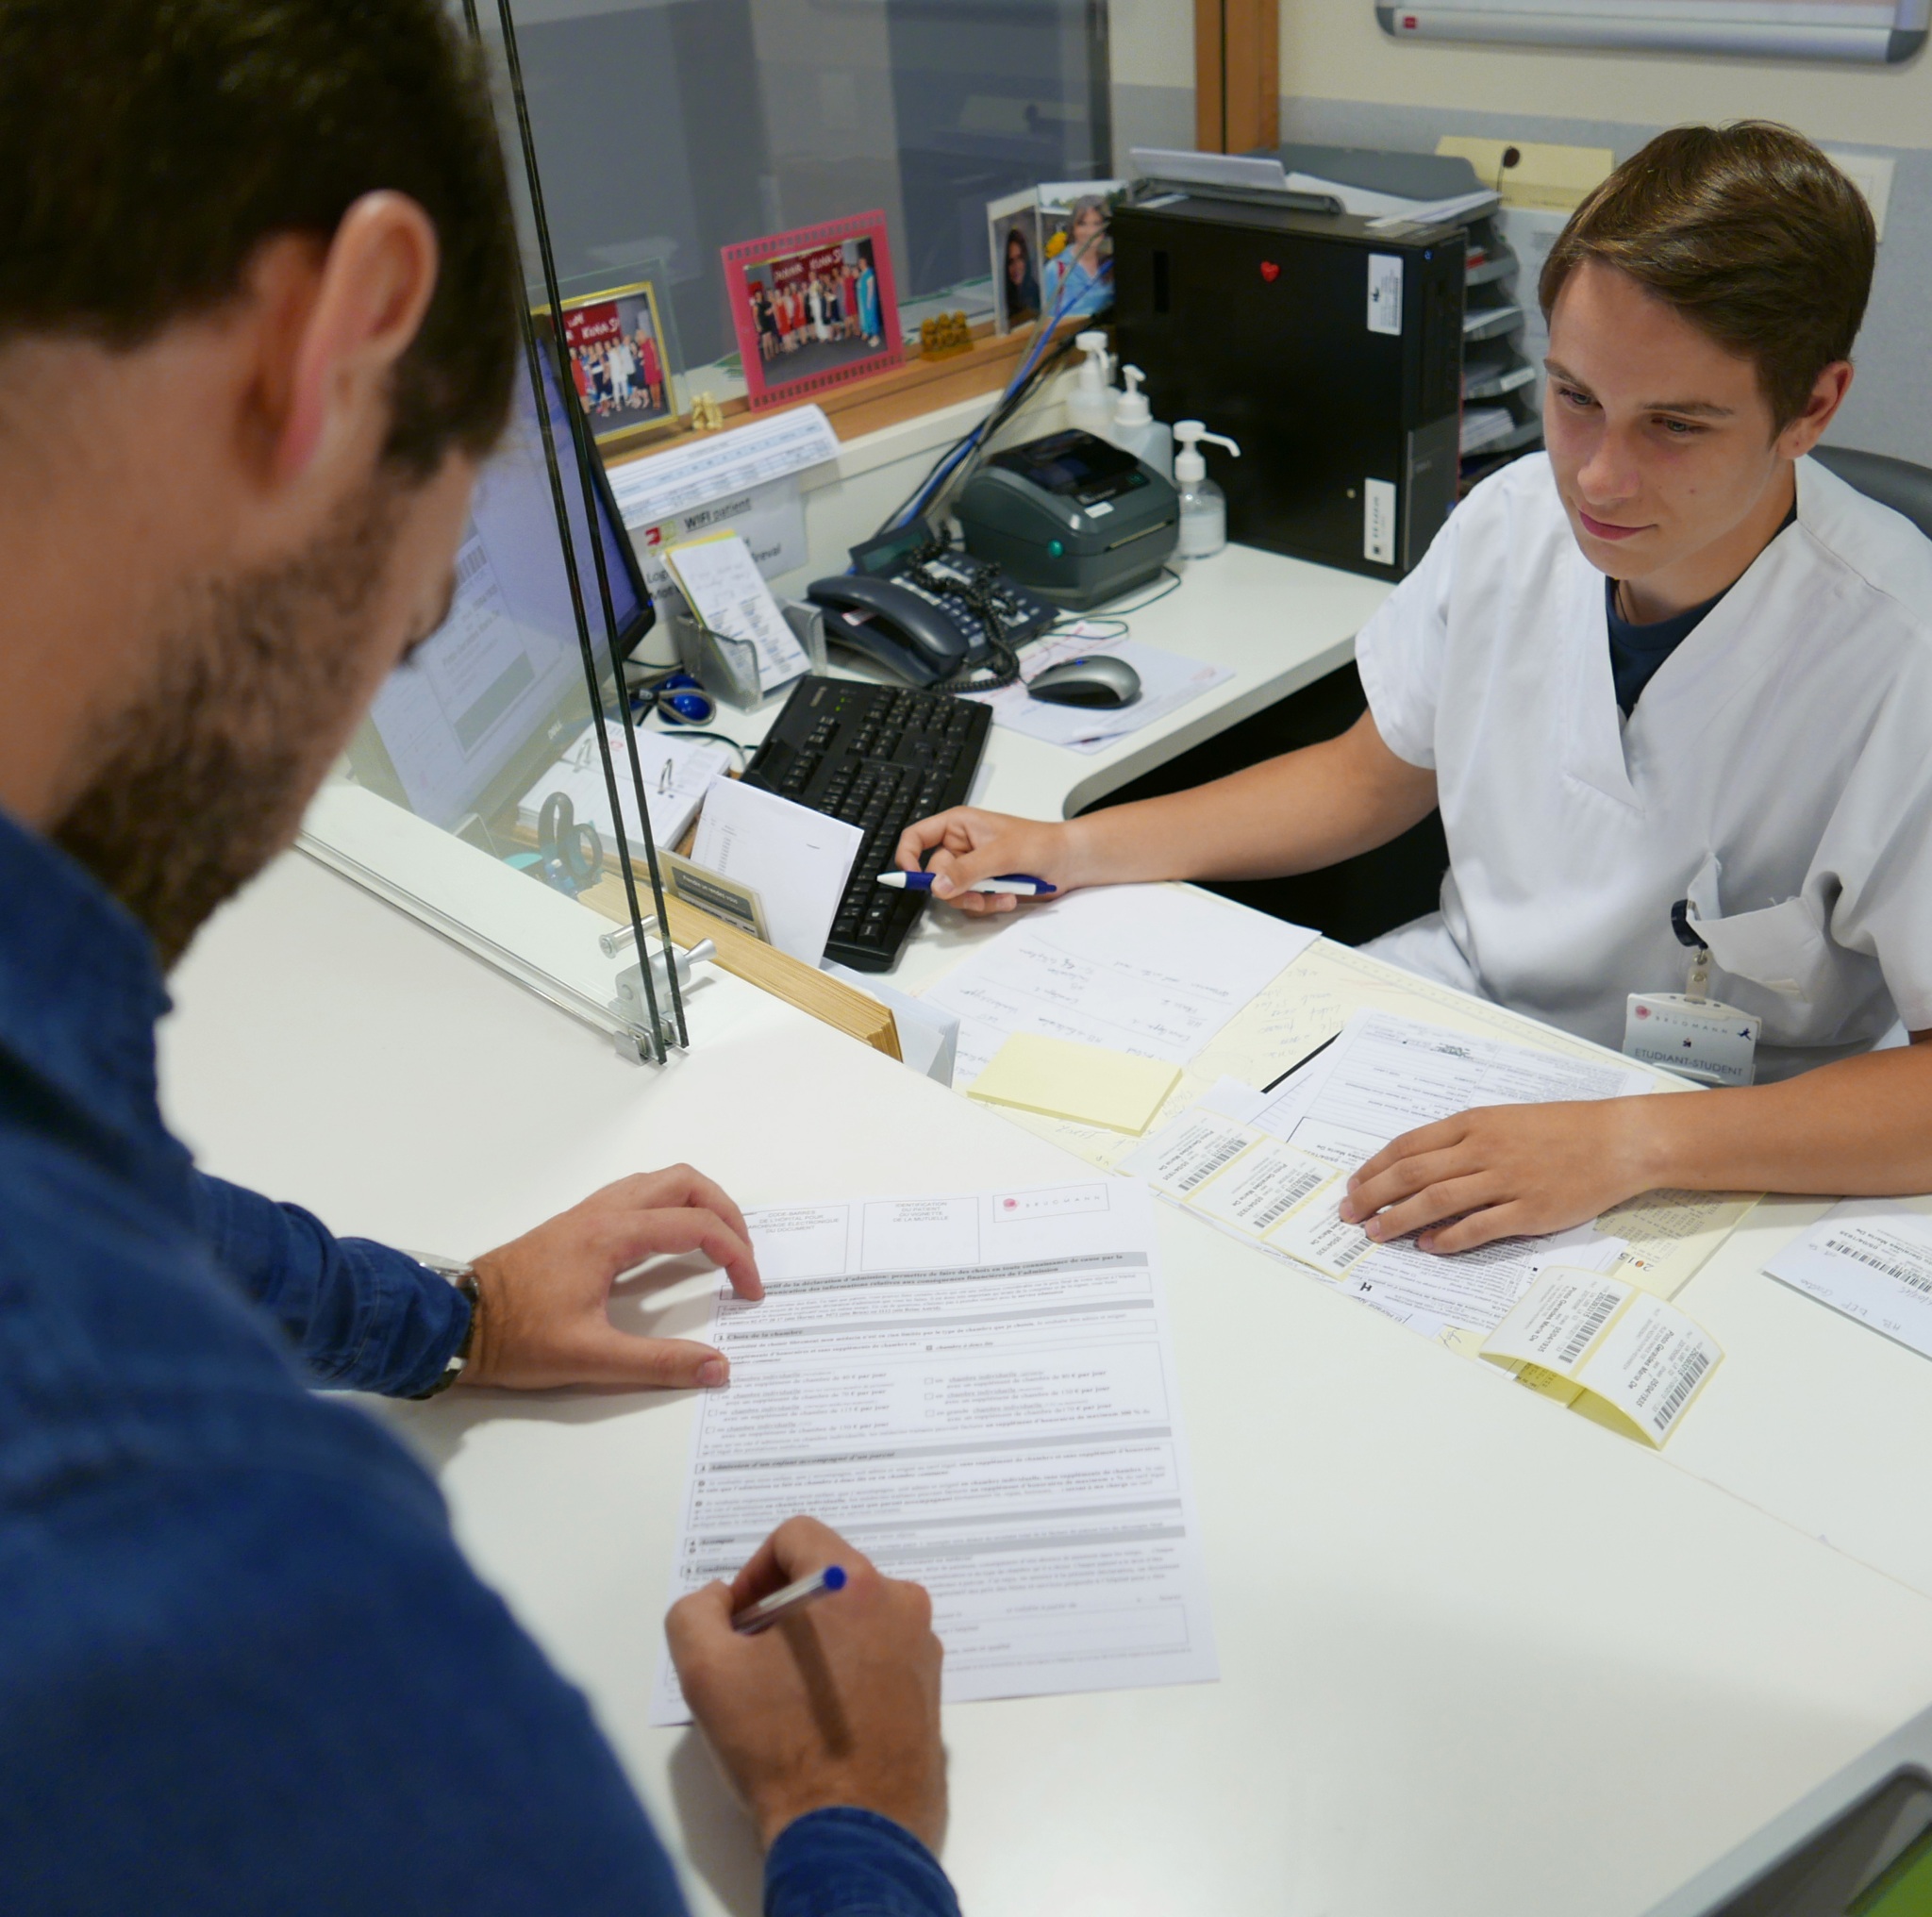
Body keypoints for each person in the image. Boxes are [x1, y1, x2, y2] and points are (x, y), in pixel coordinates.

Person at [0, 5, 958, 1914]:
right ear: (340, 334)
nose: (411, 623)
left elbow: (116, 1194)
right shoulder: (221, 1600)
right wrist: (853, 1819)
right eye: (435, 576)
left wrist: (437, 1313)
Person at [900, 123, 1932, 1256]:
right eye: (1574, 396)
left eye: (1674, 425)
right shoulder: (1507, 525)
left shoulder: (1899, 652)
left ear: (1813, 406)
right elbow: (1362, 780)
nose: (1594, 475)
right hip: (1444, 1038)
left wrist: (1625, 1144)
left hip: (1732, 1143)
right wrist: (1067, 846)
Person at [1040, 193, 1112, 319]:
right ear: (1073, 227)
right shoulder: (1055, 270)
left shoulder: (1112, 264)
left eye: (1096, 224)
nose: (1090, 231)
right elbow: (1047, 322)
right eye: (1083, 224)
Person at [1004, 222, 1041, 325]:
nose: (1016, 267)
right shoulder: (1003, 299)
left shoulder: (1036, 293)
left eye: (1020, 258)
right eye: (1010, 262)